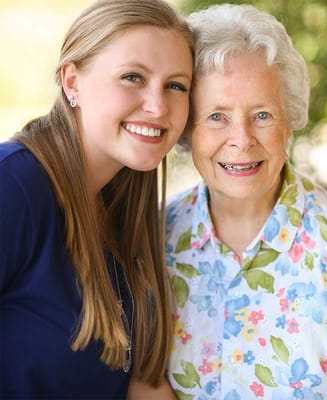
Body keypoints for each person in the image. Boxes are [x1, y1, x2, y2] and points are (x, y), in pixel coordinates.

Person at [165, 4, 327, 399]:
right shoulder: (154, 239)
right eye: (217, 116)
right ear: (186, 127)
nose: (242, 139)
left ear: (289, 119)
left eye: (262, 115)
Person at [0, 0, 194, 398]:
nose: (158, 106)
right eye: (132, 77)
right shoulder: (14, 186)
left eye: (176, 85)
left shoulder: (126, 211)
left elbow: (140, 384)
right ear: (72, 82)